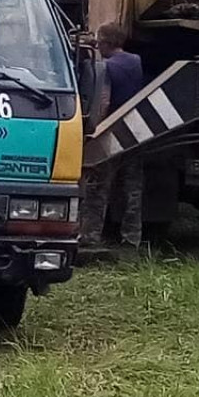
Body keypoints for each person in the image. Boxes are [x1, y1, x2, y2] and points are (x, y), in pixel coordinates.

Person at [81, 23, 145, 253]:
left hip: (110, 134)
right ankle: (131, 239)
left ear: (106, 43)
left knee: (98, 188)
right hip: (135, 132)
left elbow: (104, 101)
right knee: (132, 188)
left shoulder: (104, 67)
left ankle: (90, 236)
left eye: (98, 43)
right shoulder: (136, 62)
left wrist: (94, 131)